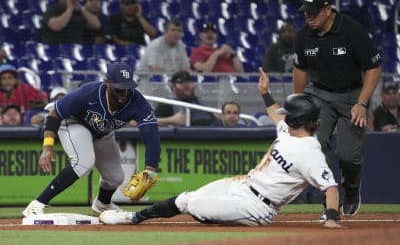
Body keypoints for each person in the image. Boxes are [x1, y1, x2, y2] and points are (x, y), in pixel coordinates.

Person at [99, 67, 342, 229]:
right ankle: (134, 217)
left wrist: (331, 218)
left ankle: (132, 219)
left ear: (299, 120)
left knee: (194, 206)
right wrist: (265, 94)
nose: (283, 117)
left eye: (288, 114)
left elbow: (330, 187)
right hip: (242, 184)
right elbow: (275, 114)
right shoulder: (289, 130)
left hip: (258, 207)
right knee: (186, 199)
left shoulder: (311, 152)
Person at [22, 62, 161, 217]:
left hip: (102, 132)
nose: (124, 93)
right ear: (107, 82)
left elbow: (152, 136)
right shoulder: (88, 93)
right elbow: (55, 115)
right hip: (73, 122)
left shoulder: (137, 101)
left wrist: (150, 171)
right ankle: (36, 204)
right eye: (119, 88)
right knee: (83, 162)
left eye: (128, 87)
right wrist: (47, 148)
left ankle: (102, 204)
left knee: (115, 177)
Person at [292, 0, 382, 219]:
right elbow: (300, 69)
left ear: (328, 9)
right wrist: (298, 103)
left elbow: (373, 66)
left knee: (347, 155)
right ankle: (329, 204)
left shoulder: (351, 30)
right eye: (305, 12)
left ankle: (351, 190)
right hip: (320, 96)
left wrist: (362, 103)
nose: (308, 16)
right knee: (315, 146)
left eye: (313, 12)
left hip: (353, 96)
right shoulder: (303, 36)